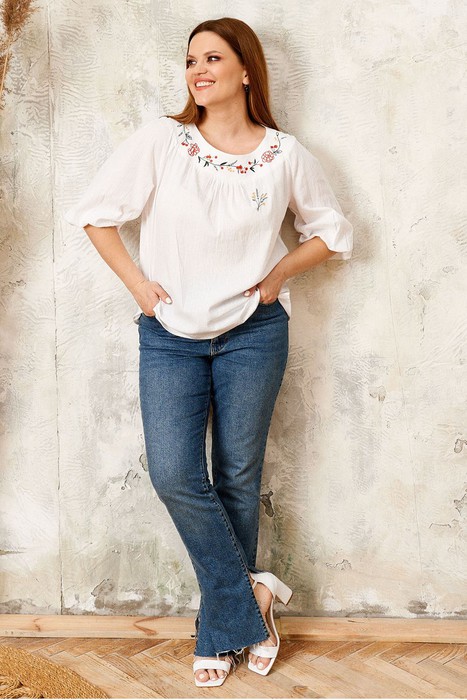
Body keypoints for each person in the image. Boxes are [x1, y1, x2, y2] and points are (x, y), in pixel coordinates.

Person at [64, 16, 353, 688]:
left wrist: (279, 274)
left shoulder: (283, 155)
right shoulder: (162, 141)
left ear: (246, 70)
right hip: (169, 334)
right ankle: (251, 598)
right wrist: (139, 286)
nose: (198, 70)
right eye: (191, 59)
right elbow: (96, 215)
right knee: (174, 474)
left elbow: (333, 232)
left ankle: (220, 630)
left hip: (254, 332)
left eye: (213, 58)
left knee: (236, 476)